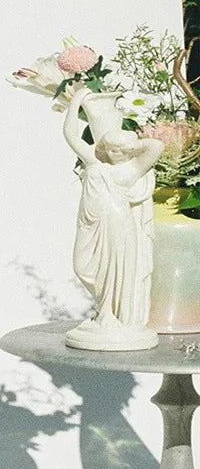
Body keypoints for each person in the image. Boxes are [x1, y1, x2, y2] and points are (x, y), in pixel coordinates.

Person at [63, 87, 163, 349]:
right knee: (83, 266)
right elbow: (71, 135)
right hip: (90, 224)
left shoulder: (131, 169)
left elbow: (156, 146)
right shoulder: (94, 162)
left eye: (118, 150)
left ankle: (108, 314)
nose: (113, 153)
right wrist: (76, 102)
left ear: (127, 151)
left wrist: (131, 144)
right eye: (110, 148)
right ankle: (103, 311)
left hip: (117, 222)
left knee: (113, 271)